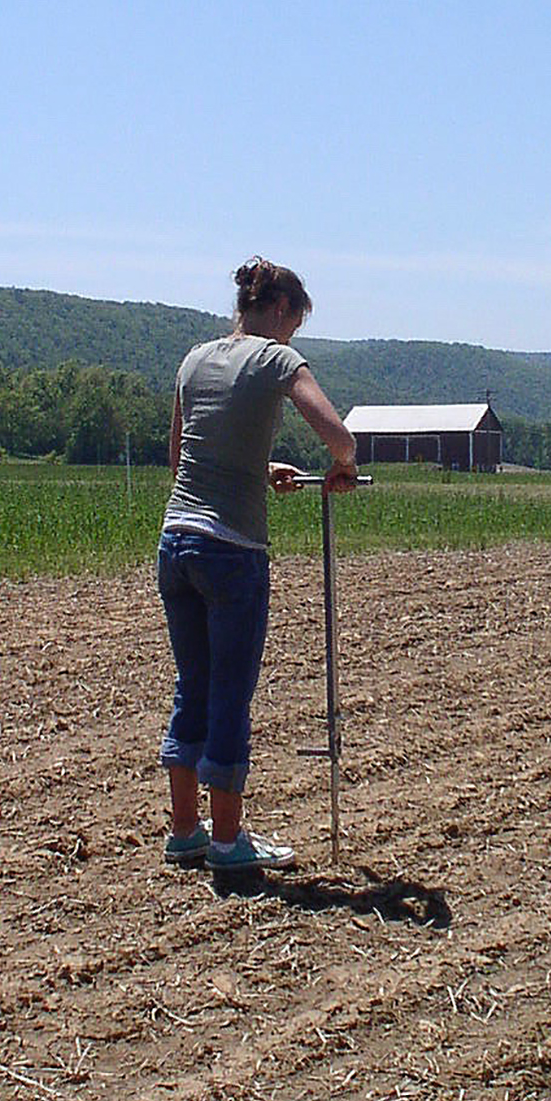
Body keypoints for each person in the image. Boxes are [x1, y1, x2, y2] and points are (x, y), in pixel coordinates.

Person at [158, 258, 359, 873]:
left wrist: (257, 468)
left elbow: (180, 457)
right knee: (229, 694)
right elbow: (338, 435)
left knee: (191, 685)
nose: (293, 335)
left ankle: (186, 831)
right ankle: (227, 843)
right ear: (279, 310)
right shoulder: (276, 359)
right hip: (231, 549)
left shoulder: (193, 361)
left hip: (176, 540)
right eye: (295, 323)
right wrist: (343, 467)